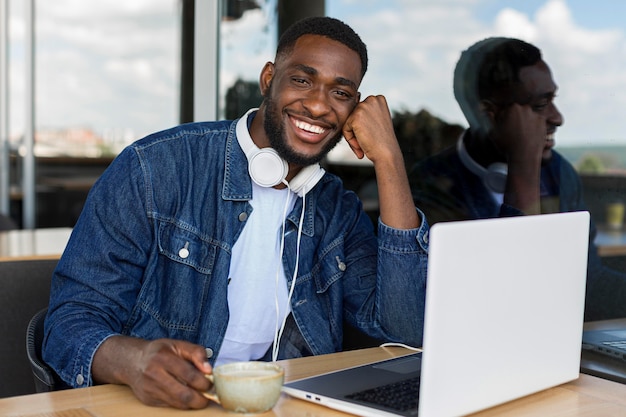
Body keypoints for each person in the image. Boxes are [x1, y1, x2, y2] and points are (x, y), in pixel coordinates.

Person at [44, 17, 429, 410]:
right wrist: (131, 361)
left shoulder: (336, 209)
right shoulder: (155, 169)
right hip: (158, 407)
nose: (317, 105)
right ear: (268, 79)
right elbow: (68, 323)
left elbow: (405, 330)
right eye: (301, 80)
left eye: (341, 93)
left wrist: (390, 160)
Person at [409, 37, 626, 322]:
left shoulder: (560, 174)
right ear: (489, 114)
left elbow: (588, 280)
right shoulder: (430, 186)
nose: (557, 118)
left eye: (553, 100)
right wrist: (524, 165)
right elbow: (504, 297)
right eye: (540, 105)